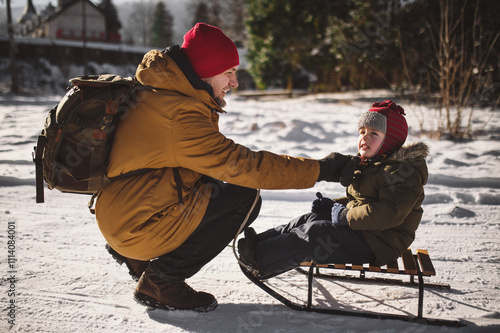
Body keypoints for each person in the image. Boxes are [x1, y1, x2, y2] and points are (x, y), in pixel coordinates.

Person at [94, 22, 357, 312]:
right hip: (134, 224)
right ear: (205, 71)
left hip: (122, 213)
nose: (235, 83)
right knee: (244, 198)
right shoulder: (180, 113)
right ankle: (162, 282)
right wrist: (322, 169)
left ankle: (138, 259)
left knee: (218, 184)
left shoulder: (163, 92)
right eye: (229, 73)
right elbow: (245, 166)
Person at [238, 100, 429, 280]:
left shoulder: (402, 173)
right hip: (367, 231)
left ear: (391, 141)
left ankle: (260, 261)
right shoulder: (374, 164)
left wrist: (345, 216)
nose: (365, 138)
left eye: (374, 134)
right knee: (312, 218)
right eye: (362, 131)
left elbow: (388, 214)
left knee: (317, 233)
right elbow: (362, 201)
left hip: (380, 243)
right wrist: (334, 206)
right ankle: (261, 243)